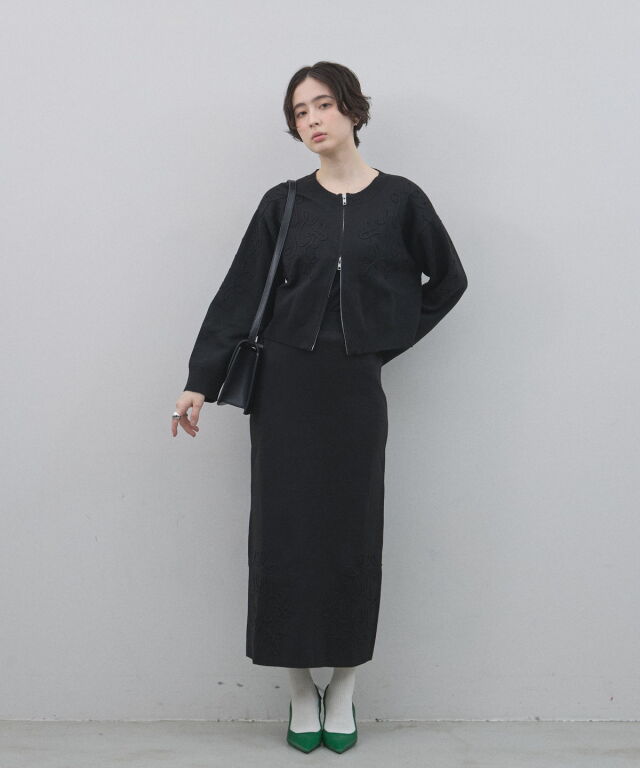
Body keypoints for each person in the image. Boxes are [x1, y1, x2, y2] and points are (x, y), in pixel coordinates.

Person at [171, 61, 468, 753]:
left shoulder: (401, 200)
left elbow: (448, 280)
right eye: (300, 111)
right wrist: (198, 380)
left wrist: (381, 342)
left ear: (353, 111)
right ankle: (301, 690)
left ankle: (348, 688)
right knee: (286, 539)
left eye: (324, 105)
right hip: (284, 391)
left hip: (354, 393)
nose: (312, 119)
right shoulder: (283, 203)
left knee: (351, 537)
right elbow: (239, 293)